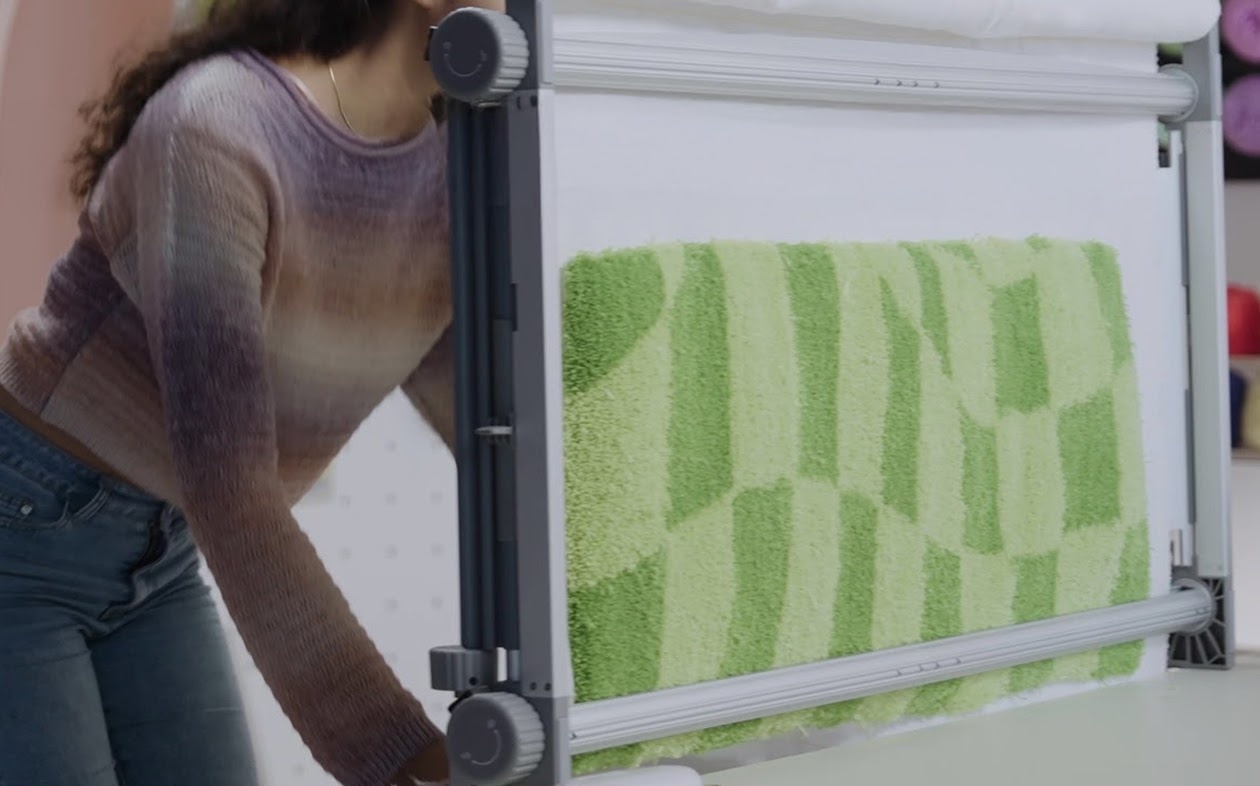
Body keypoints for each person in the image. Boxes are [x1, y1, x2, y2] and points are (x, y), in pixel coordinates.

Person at [0, 1, 501, 784]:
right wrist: (405, 756)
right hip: (23, 530)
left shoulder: (444, 176)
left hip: (160, 553)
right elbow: (232, 492)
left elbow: (497, 436)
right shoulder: (216, 129)